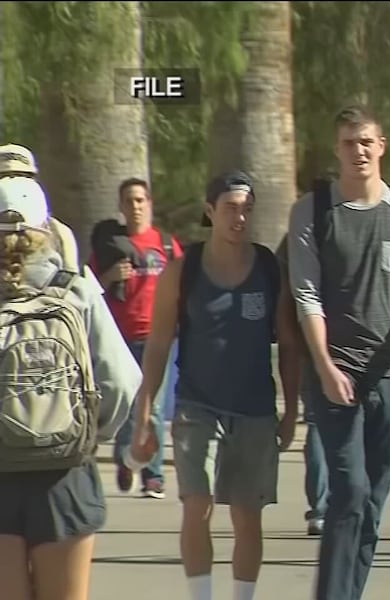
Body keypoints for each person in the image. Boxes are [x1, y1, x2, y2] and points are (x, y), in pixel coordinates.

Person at [288, 106, 390, 600]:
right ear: (337, 150)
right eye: (349, 143)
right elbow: (306, 295)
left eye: (366, 142)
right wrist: (324, 365)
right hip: (335, 372)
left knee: (373, 499)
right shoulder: (313, 211)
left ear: (381, 147)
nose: (358, 151)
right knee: (349, 490)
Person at [132, 172, 299, 600]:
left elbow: (289, 342)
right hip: (197, 405)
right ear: (210, 211)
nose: (239, 217)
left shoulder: (269, 269)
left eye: (246, 209)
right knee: (197, 505)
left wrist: (292, 409)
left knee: (247, 516)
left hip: (255, 408)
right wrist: (144, 412)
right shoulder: (182, 271)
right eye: (230, 208)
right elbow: (158, 345)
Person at [0, 176, 140, 600]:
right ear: (46, 228)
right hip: (65, 476)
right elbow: (121, 381)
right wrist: (87, 433)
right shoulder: (75, 290)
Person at [87, 178, 180, 500]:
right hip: (120, 339)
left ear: (149, 203)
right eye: (129, 201)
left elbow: (184, 284)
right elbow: (87, 289)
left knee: (152, 408)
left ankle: (152, 475)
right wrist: (109, 276)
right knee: (127, 405)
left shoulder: (165, 245)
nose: (135, 206)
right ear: (121, 206)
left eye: (140, 200)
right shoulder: (108, 247)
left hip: (158, 338)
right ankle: (127, 458)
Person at [275, 236, 329, 536]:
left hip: (309, 340)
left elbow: (282, 287)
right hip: (354, 340)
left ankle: (320, 509)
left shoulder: (299, 235)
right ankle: (338, 506)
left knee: (318, 424)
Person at [0, 144, 85, 273]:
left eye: (22, 175)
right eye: (4, 176)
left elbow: (70, 276)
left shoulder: (59, 232)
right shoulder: (60, 231)